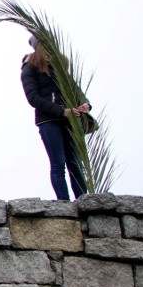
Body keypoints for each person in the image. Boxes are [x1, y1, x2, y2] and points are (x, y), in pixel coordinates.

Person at [21, 35, 89, 201]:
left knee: (75, 164)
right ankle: (64, 203)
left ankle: (84, 201)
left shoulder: (59, 68)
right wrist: (61, 111)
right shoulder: (29, 68)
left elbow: (75, 90)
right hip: (48, 121)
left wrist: (86, 104)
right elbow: (33, 98)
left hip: (68, 121)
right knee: (58, 163)